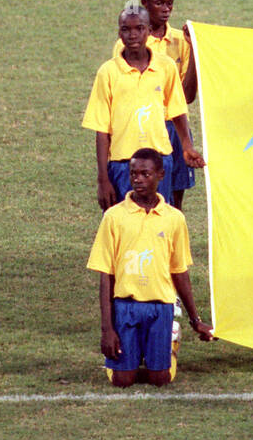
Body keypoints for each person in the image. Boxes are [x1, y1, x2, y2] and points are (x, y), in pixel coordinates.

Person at [87, 149, 213, 386]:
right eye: (133, 173)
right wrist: (107, 329)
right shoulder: (114, 217)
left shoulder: (174, 219)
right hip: (126, 307)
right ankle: (131, 359)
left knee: (160, 379)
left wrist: (196, 321)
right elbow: (106, 275)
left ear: (161, 175)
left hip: (160, 307)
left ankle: (171, 340)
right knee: (123, 380)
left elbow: (180, 272)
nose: (137, 179)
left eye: (145, 174)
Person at [83, 5, 204, 211]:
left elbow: (177, 111)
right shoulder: (108, 72)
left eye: (139, 28)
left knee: (159, 224)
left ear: (148, 30)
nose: (133, 35)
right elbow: (102, 131)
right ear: (119, 33)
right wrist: (103, 178)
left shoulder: (166, 67)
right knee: (124, 228)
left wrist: (186, 146)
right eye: (126, 29)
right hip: (122, 165)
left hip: (159, 162)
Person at [113, 0, 197, 211]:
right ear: (145, 4)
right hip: (144, 128)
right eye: (160, 3)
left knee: (174, 197)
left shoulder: (181, 41)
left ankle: (171, 235)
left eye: (170, 3)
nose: (167, 9)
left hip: (175, 127)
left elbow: (186, 97)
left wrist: (195, 53)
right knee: (140, 193)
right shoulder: (129, 43)